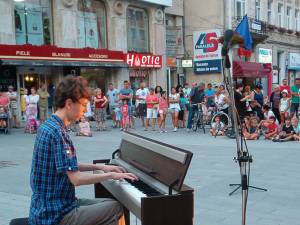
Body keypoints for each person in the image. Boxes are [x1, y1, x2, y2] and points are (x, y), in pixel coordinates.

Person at [29, 76, 138, 225]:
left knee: (107, 202)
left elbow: (66, 165)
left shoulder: (48, 126)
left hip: (46, 207)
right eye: (83, 104)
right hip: (56, 215)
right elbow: (76, 179)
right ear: (69, 104)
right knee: (116, 207)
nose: (85, 110)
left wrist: (100, 167)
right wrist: (110, 175)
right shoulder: (58, 133)